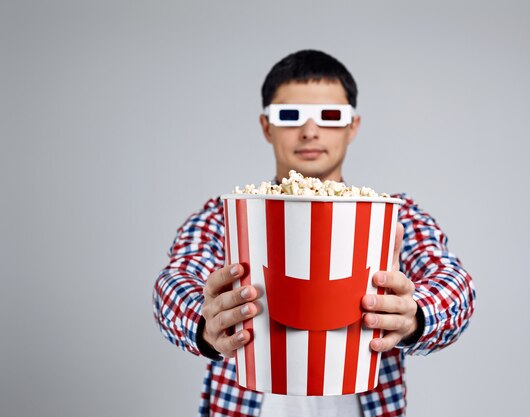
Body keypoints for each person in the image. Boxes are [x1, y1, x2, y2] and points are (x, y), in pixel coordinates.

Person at [153, 49, 476, 417]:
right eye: (290, 116)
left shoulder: (392, 215)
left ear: (352, 126)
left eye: (330, 117)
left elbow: (455, 283)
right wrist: (204, 320)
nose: (310, 131)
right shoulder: (226, 215)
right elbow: (175, 281)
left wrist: (414, 316)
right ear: (265, 126)